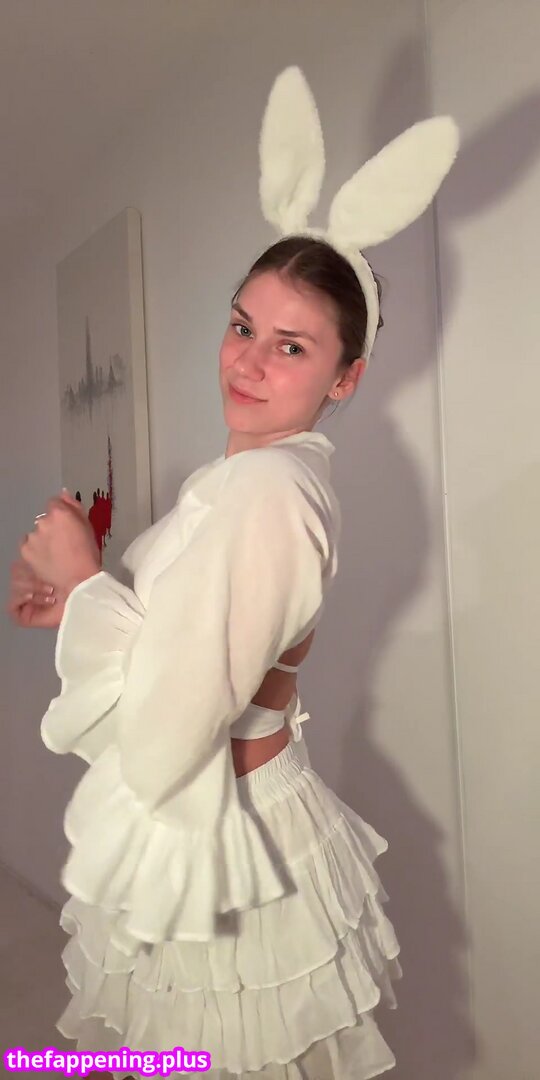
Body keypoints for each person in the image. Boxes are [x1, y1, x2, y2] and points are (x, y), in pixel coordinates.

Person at [8, 66, 458, 1079]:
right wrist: (84, 603)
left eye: (290, 347)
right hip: (232, 823)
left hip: (228, 840)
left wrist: (87, 581)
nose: (247, 361)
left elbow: (165, 737)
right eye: (242, 325)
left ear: (346, 376)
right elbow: (196, 651)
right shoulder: (254, 478)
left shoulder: (265, 491)